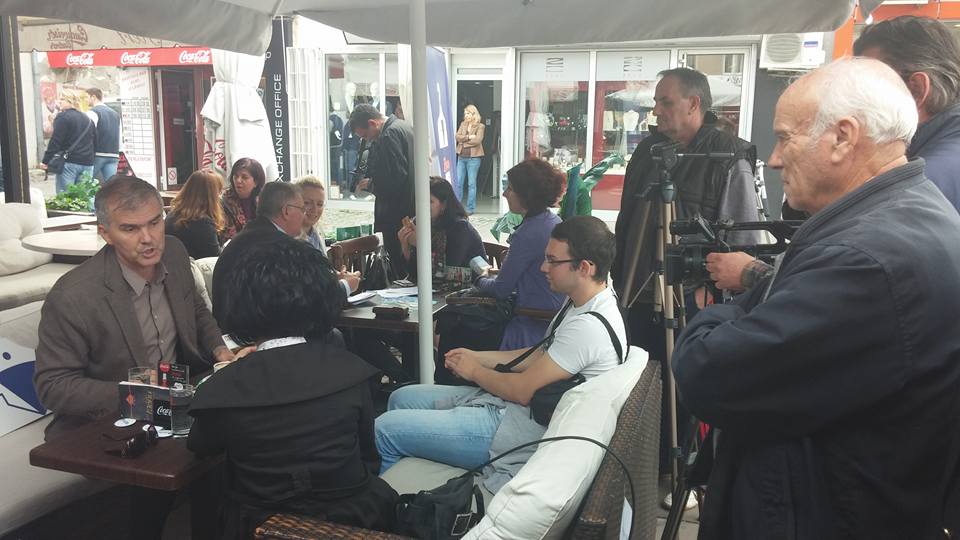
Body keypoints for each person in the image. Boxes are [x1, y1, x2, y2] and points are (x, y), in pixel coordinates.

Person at [673, 58, 960, 539]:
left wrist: (722, 312)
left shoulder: (864, 260)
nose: (774, 159)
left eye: (785, 137)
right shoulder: (908, 216)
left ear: (843, 137)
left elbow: (707, 372)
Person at [33, 175, 232, 538]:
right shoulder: (73, 296)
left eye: (155, 222)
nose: (148, 238)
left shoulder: (174, 251)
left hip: (178, 402)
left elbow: (197, 310)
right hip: (112, 420)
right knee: (155, 484)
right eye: (130, 228)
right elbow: (53, 385)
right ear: (105, 233)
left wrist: (220, 350)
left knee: (228, 454)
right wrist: (138, 392)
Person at [709, 15, 960, 292]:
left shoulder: (931, 178)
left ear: (916, 90)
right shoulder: (931, 162)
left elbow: (856, 285)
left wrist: (755, 275)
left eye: (867, 84)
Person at [376, 216, 625, 493]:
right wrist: (479, 356)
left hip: (522, 431)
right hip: (518, 413)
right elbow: (541, 355)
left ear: (585, 268)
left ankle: (385, 508)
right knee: (400, 397)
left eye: (552, 261)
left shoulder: (588, 327)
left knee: (384, 429)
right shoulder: (583, 301)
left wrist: (475, 371)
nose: (543, 267)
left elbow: (521, 391)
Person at [189, 237, 397, 539]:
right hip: (354, 521)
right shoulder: (352, 371)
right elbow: (369, 458)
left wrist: (237, 373)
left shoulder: (224, 388)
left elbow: (200, 444)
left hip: (260, 525)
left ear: (242, 306)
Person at [212, 182, 359, 327]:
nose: (304, 215)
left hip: (235, 327)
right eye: (302, 209)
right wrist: (346, 286)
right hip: (255, 332)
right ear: (286, 211)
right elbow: (310, 300)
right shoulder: (279, 246)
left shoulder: (251, 235)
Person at [474, 159, 566, 350]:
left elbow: (500, 290)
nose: (504, 194)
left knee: (454, 329)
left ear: (526, 195)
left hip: (532, 325)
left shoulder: (528, 233)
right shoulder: (553, 221)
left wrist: (479, 279)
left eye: (510, 188)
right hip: (554, 319)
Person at [350, 103, 415, 266]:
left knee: (398, 263)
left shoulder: (388, 136)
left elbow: (395, 178)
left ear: (373, 123)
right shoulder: (403, 126)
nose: (367, 140)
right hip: (410, 207)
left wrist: (372, 185)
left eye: (366, 135)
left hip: (396, 214)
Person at [397, 176, 485, 279]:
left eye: (430, 201)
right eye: (420, 200)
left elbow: (443, 273)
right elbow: (414, 274)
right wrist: (405, 246)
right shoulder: (418, 223)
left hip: (470, 284)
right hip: (434, 286)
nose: (422, 205)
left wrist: (420, 245)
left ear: (443, 205)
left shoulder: (460, 227)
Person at [40, 88, 96, 193]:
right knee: (84, 196)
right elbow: (94, 141)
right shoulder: (88, 119)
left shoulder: (63, 117)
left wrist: (45, 161)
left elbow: (55, 141)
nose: (59, 102)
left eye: (62, 99)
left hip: (70, 162)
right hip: (87, 163)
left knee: (66, 197)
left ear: (71, 101)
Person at [164, 169, 226, 259]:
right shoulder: (203, 223)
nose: (220, 196)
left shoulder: (172, 214)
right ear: (211, 196)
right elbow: (216, 258)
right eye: (219, 191)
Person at [220, 157, 266, 243]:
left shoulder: (264, 200)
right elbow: (227, 235)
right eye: (236, 176)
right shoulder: (224, 201)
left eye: (244, 177)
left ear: (256, 182)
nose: (238, 180)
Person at [85, 87, 121, 181]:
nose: (85, 100)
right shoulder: (115, 114)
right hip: (113, 154)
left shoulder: (93, 112)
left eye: (87, 97)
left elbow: (88, 133)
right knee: (111, 184)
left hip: (98, 153)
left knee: (85, 183)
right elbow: (119, 135)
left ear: (93, 97)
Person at [455, 104, 486, 214]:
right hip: (461, 158)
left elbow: (477, 141)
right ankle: (457, 208)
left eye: (468, 113)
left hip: (474, 159)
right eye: (465, 114)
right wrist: (468, 137)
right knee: (458, 182)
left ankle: (470, 208)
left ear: (473, 114)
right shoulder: (463, 124)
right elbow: (457, 137)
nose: (466, 116)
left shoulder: (480, 126)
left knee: (471, 184)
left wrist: (463, 142)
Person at [295, 175, 328, 253]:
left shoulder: (317, 233)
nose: (315, 209)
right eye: (307, 203)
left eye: (319, 204)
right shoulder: (287, 238)